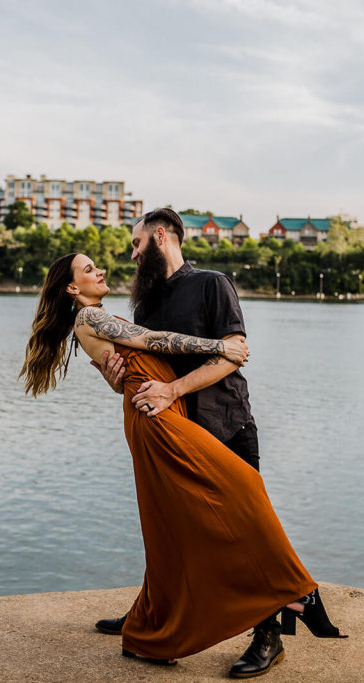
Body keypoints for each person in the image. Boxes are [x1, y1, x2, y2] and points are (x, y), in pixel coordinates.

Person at [20, 252, 347, 678]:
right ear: (71, 288)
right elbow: (154, 340)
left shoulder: (100, 317)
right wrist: (221, 346)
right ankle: (300, 596)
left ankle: (154, 624)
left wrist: (118, 372)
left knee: (172, 523)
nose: (100, 270)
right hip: (156, 422)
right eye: (88, 269)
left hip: (162, 416)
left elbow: (134, 355)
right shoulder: (89, 320)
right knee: (242, 487)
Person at [94, 207, 277, 673]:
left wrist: (174, 389)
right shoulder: (146, 305)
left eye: (136, 245)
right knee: (169, 526)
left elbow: (233, 355)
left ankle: (269, 636)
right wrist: (115, 377)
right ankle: (151, 614)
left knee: (248, 528)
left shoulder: (212, 283)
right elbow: (143, 367)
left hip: (227, 424)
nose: (133, 255)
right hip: (177, 432)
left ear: (160, 236)